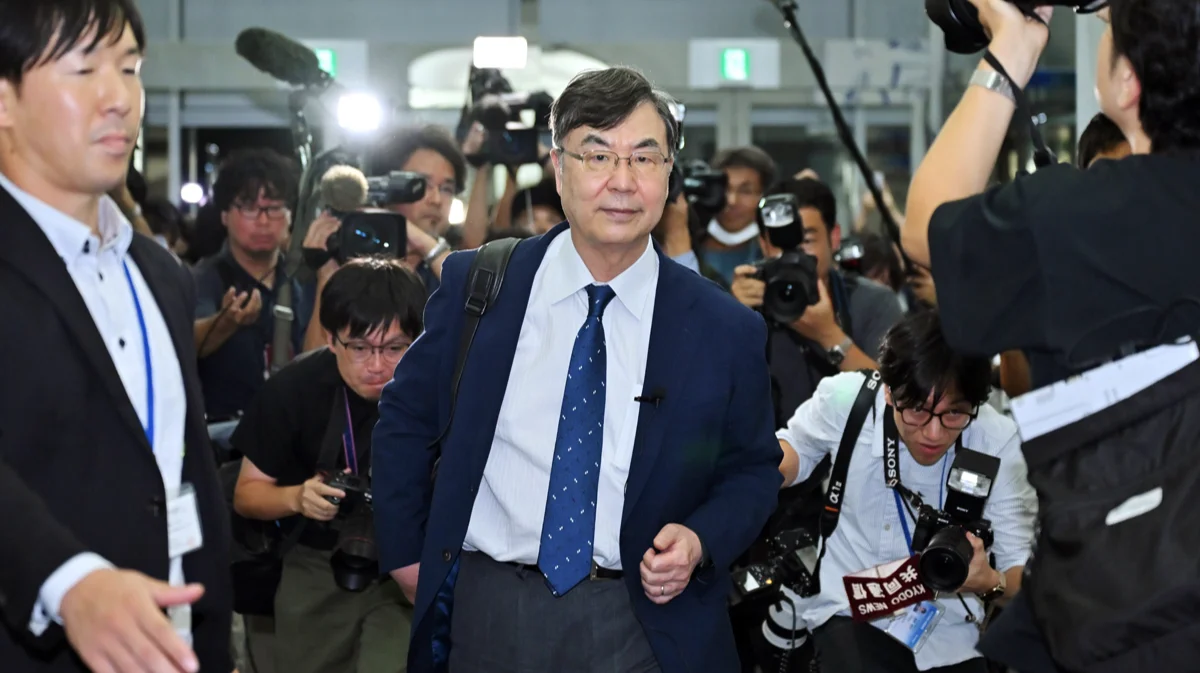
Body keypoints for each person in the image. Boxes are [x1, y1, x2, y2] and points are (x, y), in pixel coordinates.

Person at [372, 66, 782, 673]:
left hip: (641, 619)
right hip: (489, 605)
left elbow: (753, 470)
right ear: (559, 168)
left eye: (645, 158)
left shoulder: (725, 328)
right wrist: (407, 554)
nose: (623, 181)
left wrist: (700, 539)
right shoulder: (481, 285)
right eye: (598, 155)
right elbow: (405, 419)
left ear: (669, 174)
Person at [903, 1, 1200, 670]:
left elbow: (926, 226)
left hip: (1120, 617)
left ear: (1127, 82)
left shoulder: (1070, 218)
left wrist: (1012, 45)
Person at [0, 1, 232, 671]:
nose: (120, 99)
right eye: (84, 70)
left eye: (130, 69)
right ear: (5, 99)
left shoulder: (160, 273)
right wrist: (67, 579)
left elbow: (179, 470)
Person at [776, 310, 1036, 673]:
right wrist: (761, 467)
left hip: (950, 632)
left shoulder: (998, 440)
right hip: (848, 610)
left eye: (954, 414)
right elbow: (792, 453)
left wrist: (989, 582)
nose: (933, 433)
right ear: (888, 390)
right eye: (917, 411)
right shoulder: (847, 399)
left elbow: (1021, 577)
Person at [232, 258, 425, 673]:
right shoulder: (294, 389)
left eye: (395, 348)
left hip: (407, 562)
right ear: (331, 339)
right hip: (317, 561)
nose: (377, 365)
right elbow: (246, 494)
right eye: (360, 348)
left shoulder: (435, 389)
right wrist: (298, 498)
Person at [732, 176, 905, 427]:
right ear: (763, 244)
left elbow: (897, 398)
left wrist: (830, 336)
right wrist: (730, 317)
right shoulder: (746, 303)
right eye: (780, 244)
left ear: (834, 238)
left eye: (806, 241)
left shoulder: (873, 302)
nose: (793, 255)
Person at [191, 148, 308, 420]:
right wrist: (224, 322)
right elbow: (182, 343)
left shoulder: (303, 280)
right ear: (224, 215)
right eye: (249, 208)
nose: (263, 221)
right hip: (222, 433)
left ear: (291, 215)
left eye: (274, 208)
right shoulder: (202, 279)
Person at [697, 145, 776, 283]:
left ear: (764, 196)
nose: (732, 201)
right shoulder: (687, 247)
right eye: (725, 189)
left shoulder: (772, 253)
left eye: (746, 191)